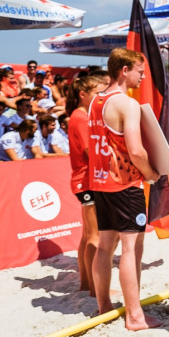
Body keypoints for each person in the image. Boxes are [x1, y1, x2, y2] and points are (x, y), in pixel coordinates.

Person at [88, 48, 161, 330]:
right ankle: (135, 316)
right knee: (132, 249)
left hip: (100, 182)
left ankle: (104, 306)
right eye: (140, 72)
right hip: (125, 183)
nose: (143, 77)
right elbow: (136, 151)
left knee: (105, 246)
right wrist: (152, 174)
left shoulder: (95, 100)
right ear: (124, 70)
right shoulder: (127, 104)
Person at [67, 71, 110, 296]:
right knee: (95, 236)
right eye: (98, 92)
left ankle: (86, 283)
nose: (101, 97)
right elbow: (89, 151)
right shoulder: (82, 117)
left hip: (83, 180)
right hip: (87, 180)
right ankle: (95, 289)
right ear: (83, 94)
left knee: (87, 235)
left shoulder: (78, 115)